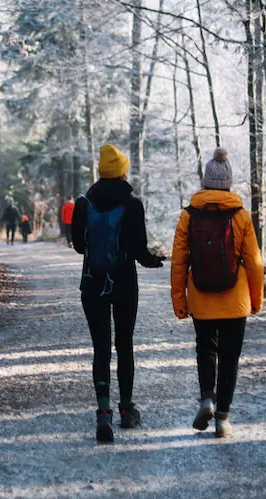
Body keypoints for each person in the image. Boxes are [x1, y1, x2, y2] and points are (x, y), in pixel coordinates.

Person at [72, 144, 165, 443]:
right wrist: (152, 260)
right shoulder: (132, 204)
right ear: (123, 170)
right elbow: (139, 250)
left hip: (92, 284)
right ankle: (126, 410)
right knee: (124, 345)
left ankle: (103, 414)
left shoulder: (84, 203)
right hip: (125, 284)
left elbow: (77, 245)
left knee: (101, 348)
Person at [170, 148, 264, 439]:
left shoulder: (189, 215)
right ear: (229, 182)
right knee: (230, 356)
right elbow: (254, 263)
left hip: (201, 296)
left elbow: (178, 260)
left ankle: (206, 399)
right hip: (235, 300)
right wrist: (256, 300)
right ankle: (223, 417)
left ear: (206, 181)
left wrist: (179, 301)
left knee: (205, 351)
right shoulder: (241, 216)